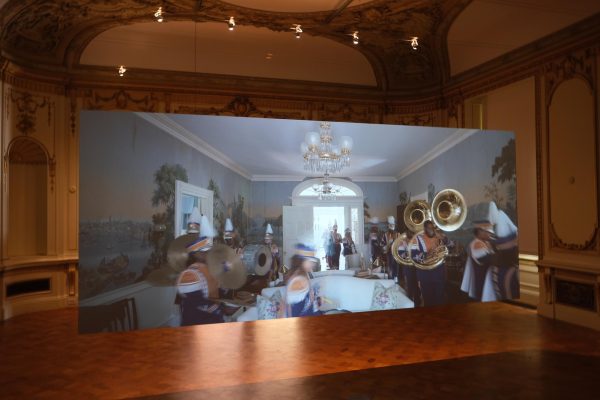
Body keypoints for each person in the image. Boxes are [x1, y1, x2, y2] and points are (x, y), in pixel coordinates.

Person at [176, 215, 224, 326]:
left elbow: (216, 292)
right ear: (197, 254)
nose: (209, 254)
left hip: (210, 322)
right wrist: (217, 310)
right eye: (205, 252)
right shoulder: (189, 275)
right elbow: (199, 302)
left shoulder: (208, 268)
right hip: (195, 323)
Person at [410, 220, 448, 307]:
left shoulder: (439, 236)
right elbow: (413, 255)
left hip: (439, 273)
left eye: (432, 228)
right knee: (428, 299)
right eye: (429, 228)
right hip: (425, 275)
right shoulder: (417, 238)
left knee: (439, 298)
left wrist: (444, 239)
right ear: (424, 229)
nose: (431, 230)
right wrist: (427, 254)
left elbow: (451, 245)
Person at [283, 244, 322, 318]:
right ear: (302, 261)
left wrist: (318, 300)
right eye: (311, 261)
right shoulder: (299, 279)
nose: (313, 264)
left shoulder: (302, 274)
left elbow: (306, 301)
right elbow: (298, 309)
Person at [461, 221, 496, 301]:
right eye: (488, 232)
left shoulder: (484, 242)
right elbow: (490, 259)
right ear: (480, 232)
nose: (490, 234)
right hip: (481, 282)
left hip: (485, 281)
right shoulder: (477, 243)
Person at [382, 216, 399, 281]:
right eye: (390, 225)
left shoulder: (398, 234)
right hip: (389, 255)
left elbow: (401, 245)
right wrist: (387, 245)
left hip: (396, 255)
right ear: (388, 226)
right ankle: (390, 279)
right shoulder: (385, 235)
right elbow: (382, 246)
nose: (391, 226)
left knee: (396, 268)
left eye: (393, 225)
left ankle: (396, 279)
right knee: (390, 268)